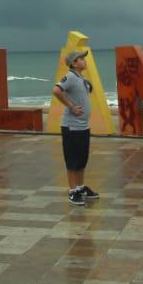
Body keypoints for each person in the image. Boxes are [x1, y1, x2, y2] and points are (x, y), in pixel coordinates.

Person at [52, 50, 98, 205]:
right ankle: (72, 191)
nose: (84, 60)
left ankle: (80, 187)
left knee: (82, 159)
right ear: (74, 63)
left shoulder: (81, 78)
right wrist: (71, 107)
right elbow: (57, 90)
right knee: (72, 160)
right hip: (71, 127)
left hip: (83, 126)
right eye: (81, 59)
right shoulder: (70, 77)